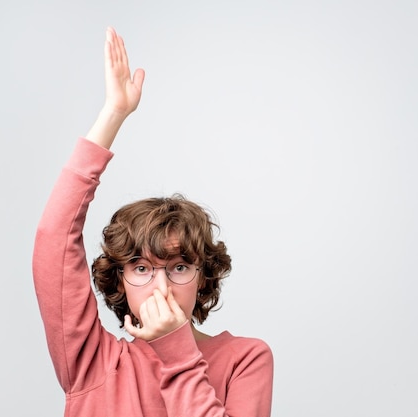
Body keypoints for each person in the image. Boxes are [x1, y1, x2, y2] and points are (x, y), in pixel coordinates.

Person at [32, 27, 274, 417]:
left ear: (203, 276)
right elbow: (53, 238)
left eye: (178, 267)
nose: (160, 288)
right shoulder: (93, 363)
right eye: (142, 268)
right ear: (120, 281)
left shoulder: (245, 359)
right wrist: (113, 114)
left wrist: (177, 350)